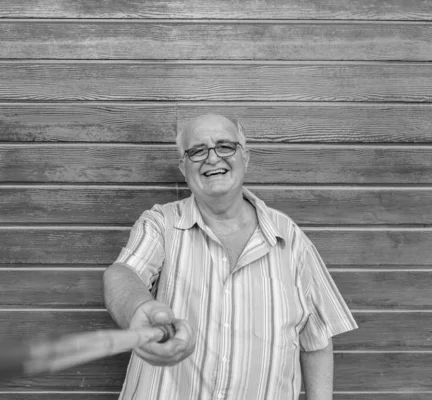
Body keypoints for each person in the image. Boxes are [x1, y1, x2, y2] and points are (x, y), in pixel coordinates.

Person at [103, 114, 358, 400]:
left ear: (245, 157)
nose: (212, 158)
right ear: (183, 166)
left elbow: (317, 339)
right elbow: (122, 274)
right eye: (197, 150)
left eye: (225, 146)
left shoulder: (290, 237)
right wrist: (138, 311)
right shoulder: (161, 224)